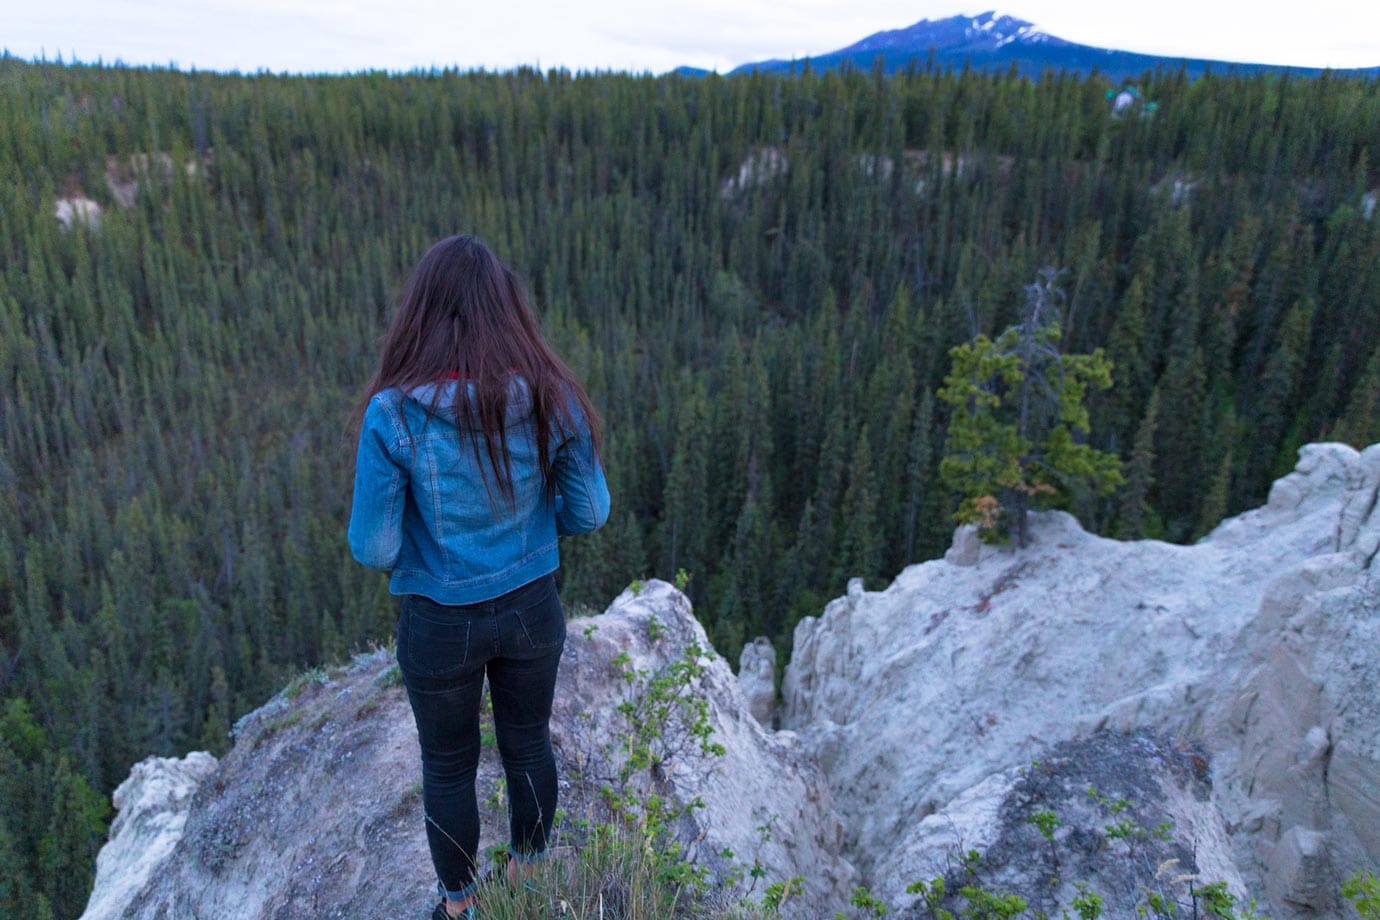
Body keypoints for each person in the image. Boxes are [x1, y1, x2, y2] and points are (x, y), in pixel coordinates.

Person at [348, 234, 610, 920]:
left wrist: (428, 538)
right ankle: (529, 878)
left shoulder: (392, 415)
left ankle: (459, 907)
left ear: (422, 313)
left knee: (448, 764)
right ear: (506, 309)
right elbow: (589, 511)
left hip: (438, 621)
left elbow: (373, 548)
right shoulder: (551, 393)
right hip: (531, 605)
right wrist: (527, 528)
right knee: (528, 740)